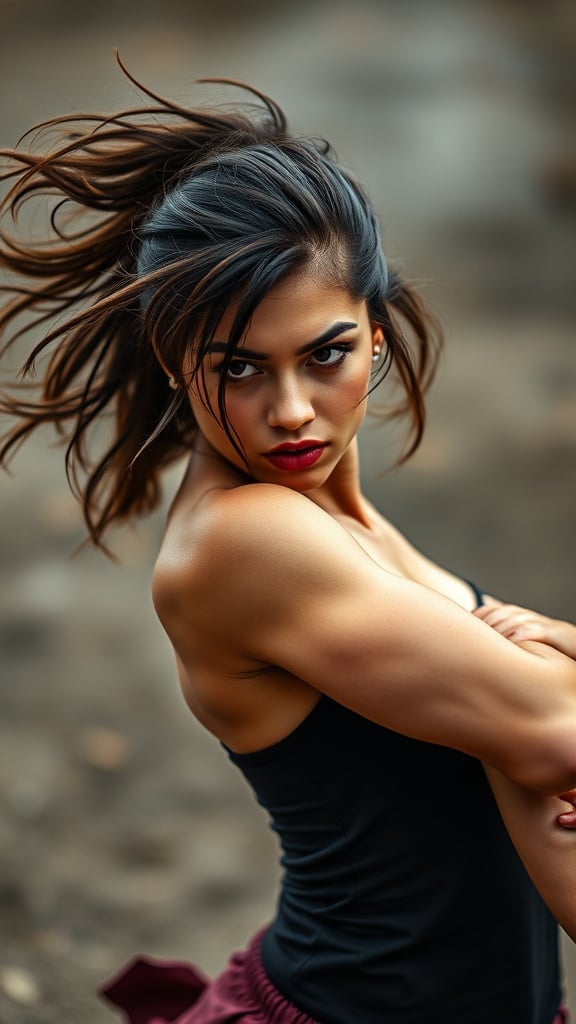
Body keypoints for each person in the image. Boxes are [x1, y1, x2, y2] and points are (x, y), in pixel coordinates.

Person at [1, 58, 576, 1024]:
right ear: (176, 361)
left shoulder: (326, 507)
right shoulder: (243, 540)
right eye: (240, 368)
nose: (292, 411)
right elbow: (555, 736)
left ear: (376, 338)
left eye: (327, 353)